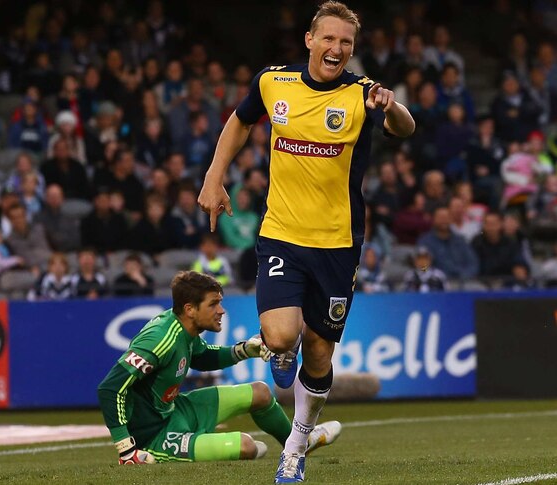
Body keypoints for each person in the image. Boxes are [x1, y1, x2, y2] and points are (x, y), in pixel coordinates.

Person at [197, 3, 414, 482]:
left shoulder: (362, 95)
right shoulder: (274, 82)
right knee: (280, 335)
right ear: (310, 40)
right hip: (282, 234)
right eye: (329, 39)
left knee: (319, 354)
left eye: (346, 44)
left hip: (338, 245)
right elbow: (239, 121)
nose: (337, 49)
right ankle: (279, 346)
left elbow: (405, 128)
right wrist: (215, 177)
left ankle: (295, 445)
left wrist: (391, 106)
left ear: (351, 51)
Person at [97, 271, 340, 466]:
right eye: (213, 304)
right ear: (190, 309)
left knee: (261, 393)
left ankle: (299, 444)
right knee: (249, 447)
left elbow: (201, 357)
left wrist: (244, 350)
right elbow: (110, 389)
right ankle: (138, 453)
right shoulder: (160, 340)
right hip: (153, 436)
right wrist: (126, 449)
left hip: (175, 410)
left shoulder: (183, 327)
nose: (221, 311)